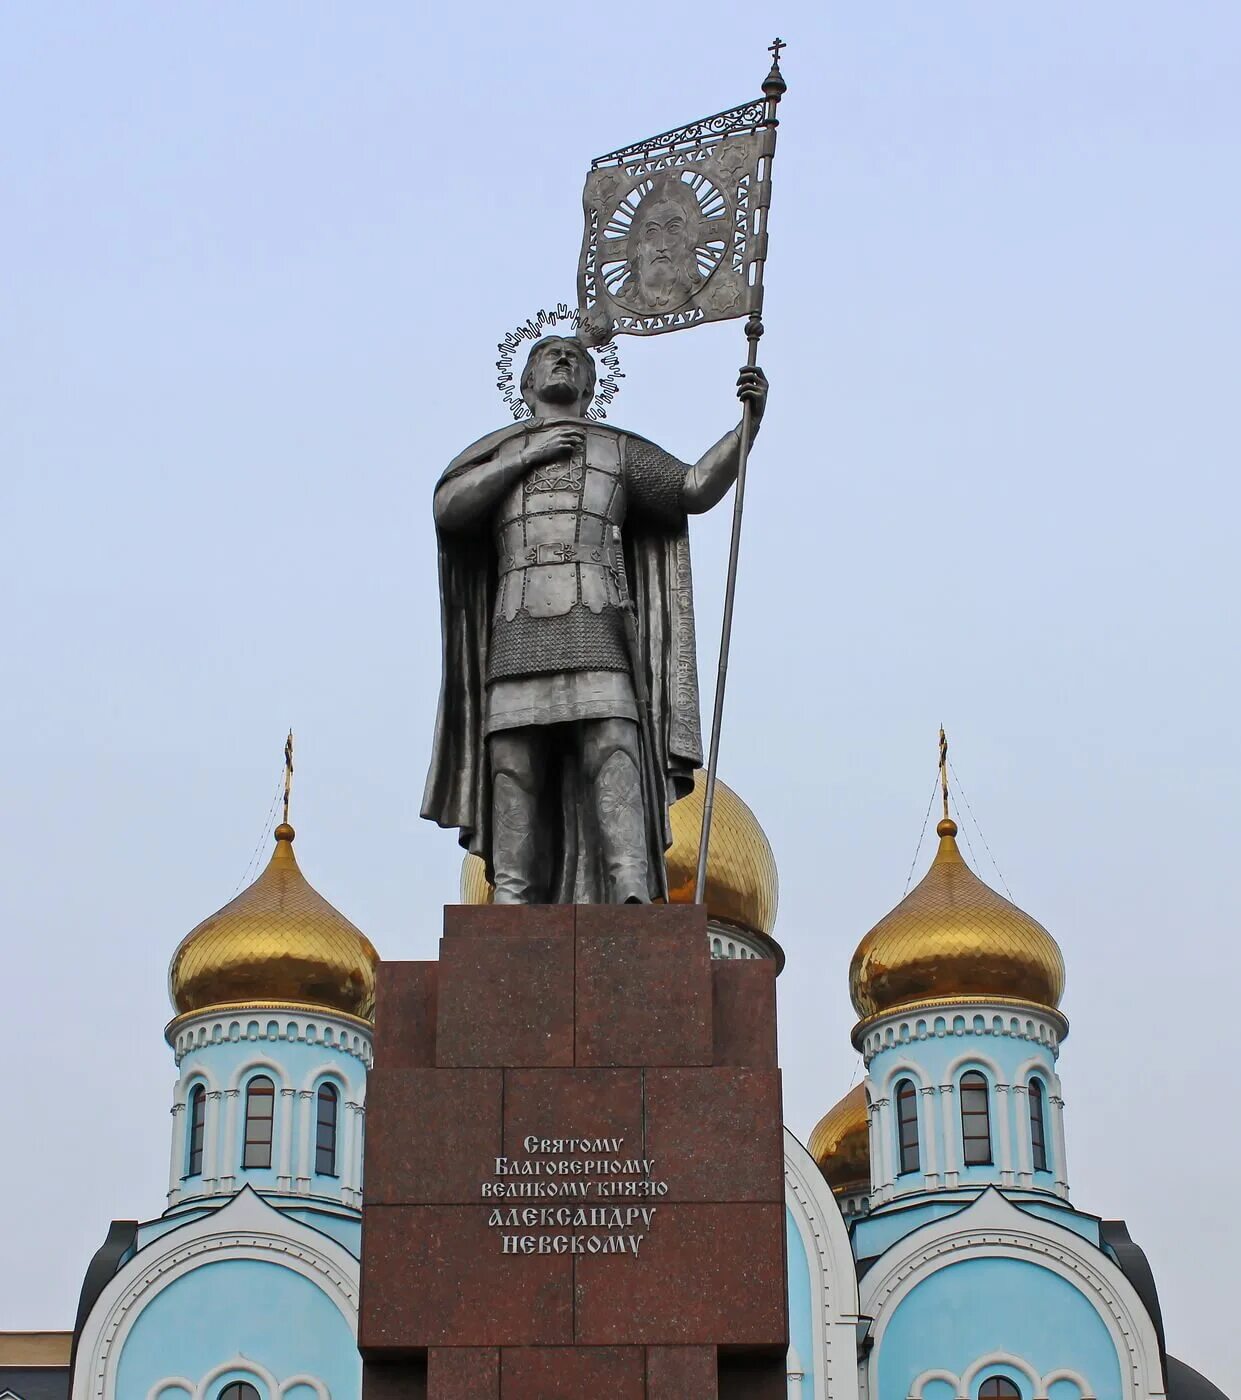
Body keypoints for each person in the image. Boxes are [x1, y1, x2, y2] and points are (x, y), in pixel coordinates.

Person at [422, 334, 767, 904]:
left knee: (613, 748)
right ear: (527, 383)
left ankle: (629, 886)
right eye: (548, 355)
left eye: (575, 357)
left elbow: (690, 488)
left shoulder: (617, 451)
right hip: (517, 625)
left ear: (590, 384)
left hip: (598, 624)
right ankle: (510, 895)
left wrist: (745, 431)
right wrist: (526, 455)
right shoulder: (496, 455)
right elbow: (449, 509)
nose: (562, 359)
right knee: (513, 765)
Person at [620, 175, 705, 312]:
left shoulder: (710, 298)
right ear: (638, 246)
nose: (661, 246)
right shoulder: (614, 308)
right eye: (652, 231)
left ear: (687, 239)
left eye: (673, 228)